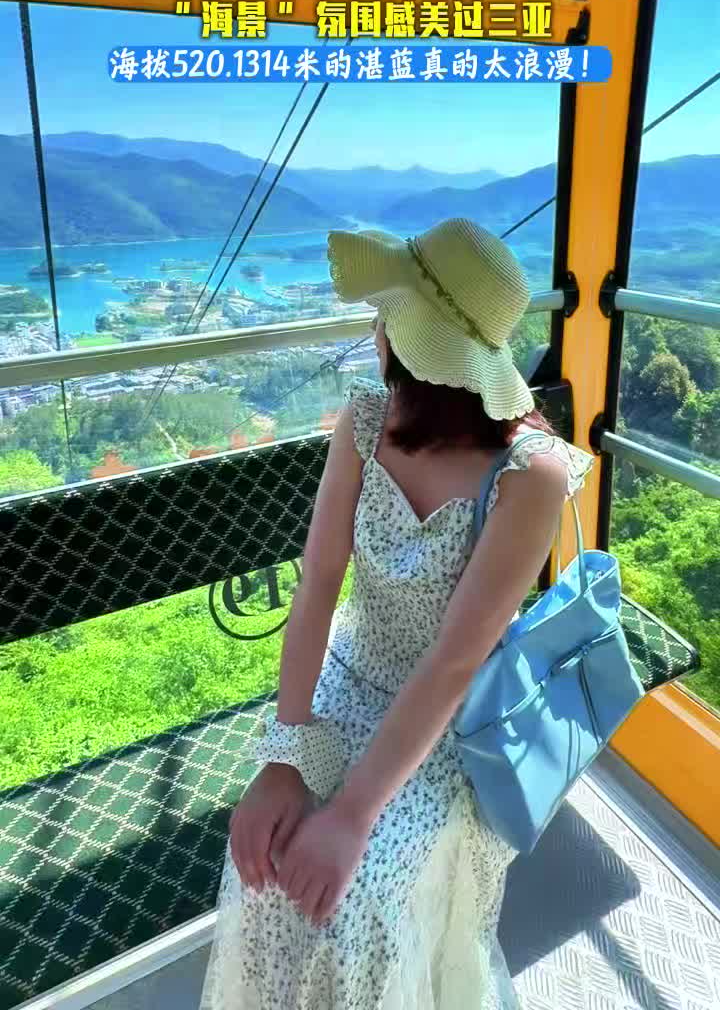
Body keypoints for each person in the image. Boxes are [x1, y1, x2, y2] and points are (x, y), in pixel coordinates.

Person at [199, 217, 595, 1010]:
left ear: (416, 342)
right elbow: (318, 583)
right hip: (353, 673)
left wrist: (352, 813)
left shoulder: (532, 475)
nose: (377, 330)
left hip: (453, 720)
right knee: (263, 872)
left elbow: (455, 658)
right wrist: (284, 755)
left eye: (389, 315)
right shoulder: (365, 421)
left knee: (364, 898)